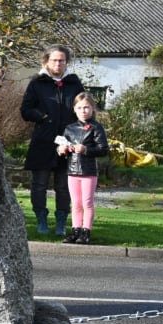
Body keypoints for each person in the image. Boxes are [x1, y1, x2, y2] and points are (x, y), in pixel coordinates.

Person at [19, 43, 83, 238]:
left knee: (64, 186)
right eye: (54, 60)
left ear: (66, 63)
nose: (58, 64)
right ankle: (41, 220)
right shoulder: (37, 83)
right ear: (46, 61)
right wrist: (43, 117)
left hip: (68, 142)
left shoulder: (74, 83)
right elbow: (25, 110)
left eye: (62, 60)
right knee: (39, 184)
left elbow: (83, 107)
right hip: (43, 141)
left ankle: (62, 222)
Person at [56, 91, 109, 245]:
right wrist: (61, 150)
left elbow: (103, 149)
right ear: (74, 109)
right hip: (72, 171)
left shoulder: (96, 127)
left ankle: (86, 232)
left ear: (92, 109)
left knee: (87, 202)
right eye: (79, 108)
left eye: (86, 107)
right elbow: (62, 146)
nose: (83, 111)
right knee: (76, 202)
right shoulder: (70, 128)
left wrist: (86, 150)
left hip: (88, 171)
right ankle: (75, 230)